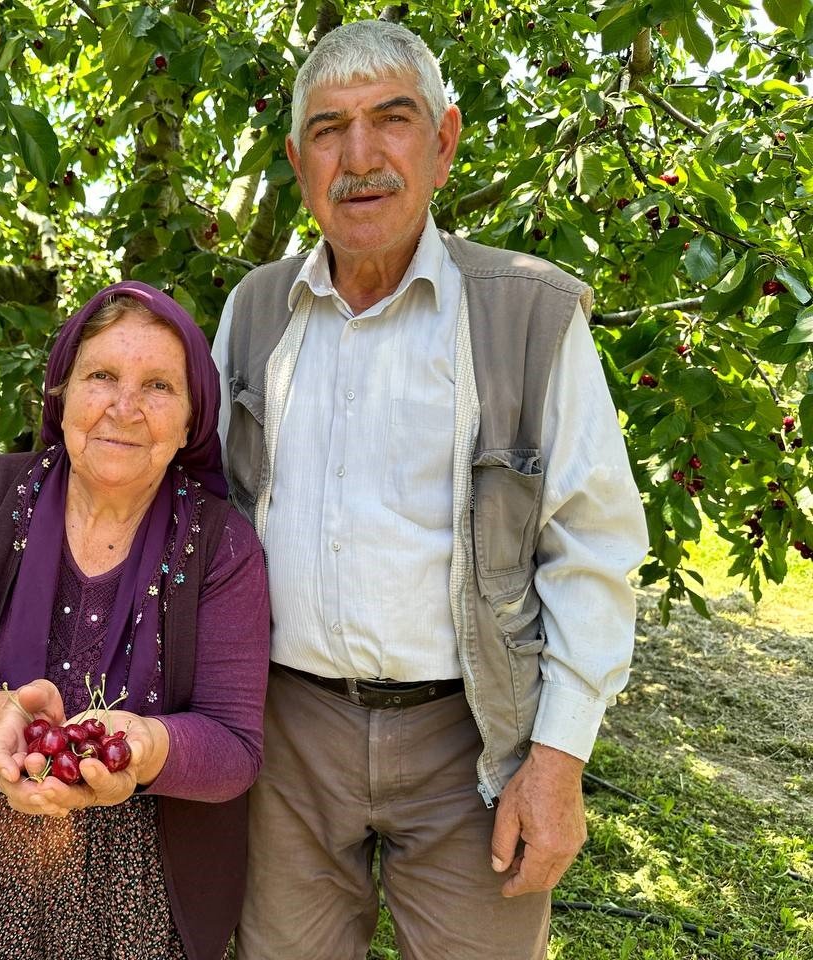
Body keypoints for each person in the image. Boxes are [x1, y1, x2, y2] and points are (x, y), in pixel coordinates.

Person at [212, 20, 649, 960]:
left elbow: (595, 544)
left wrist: (558, 758)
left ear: (444, 141)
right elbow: (202, 510)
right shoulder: (254, 310)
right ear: (297, 160)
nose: (360, 157)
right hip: (287, 737)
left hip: (473, 738)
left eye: (392, 119)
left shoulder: (529, 312)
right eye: (328, 130)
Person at [0, 281, 270, 960]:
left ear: (193, 420)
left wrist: (145, 746)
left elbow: (234, 748)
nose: (124, 407)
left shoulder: (222, 548)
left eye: (159, 385)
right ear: (62, 393)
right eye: (101, 376)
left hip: (137, 906)